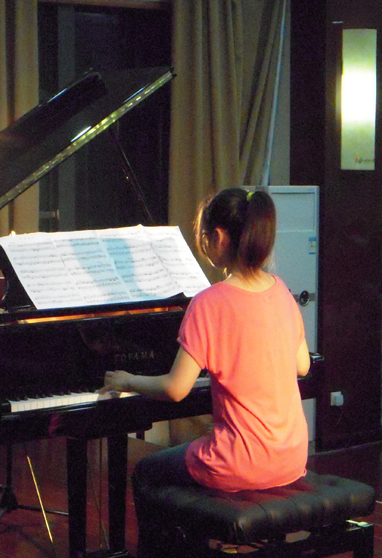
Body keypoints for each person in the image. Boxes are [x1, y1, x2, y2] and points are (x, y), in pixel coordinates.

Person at [100, 188, 311, 554]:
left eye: (205, 237)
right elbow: (302, 365)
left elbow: (176, 389)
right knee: (181, 463)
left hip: (239, 462)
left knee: (146, 472)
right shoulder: (281, 291)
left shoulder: (209, 302)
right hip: (291, 456)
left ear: (219, 237)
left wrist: (127, 380)